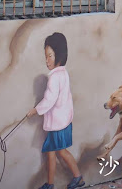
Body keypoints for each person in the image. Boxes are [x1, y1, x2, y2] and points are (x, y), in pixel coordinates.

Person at [27, 32, 85, 189]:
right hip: (63, 121)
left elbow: (49, 100)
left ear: (59, 55)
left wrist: (35, 110)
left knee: (59, 152)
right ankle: (52, 183)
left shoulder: (54, 77)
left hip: (57, 125)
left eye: (50, 56)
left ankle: (74, 178)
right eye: (46, 57)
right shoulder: (63, 73)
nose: (47, 60)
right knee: (53, 153)